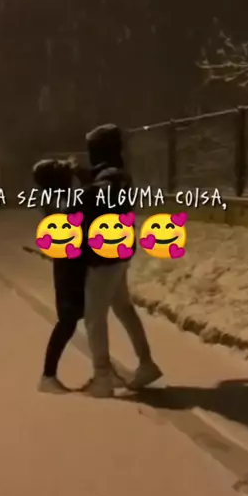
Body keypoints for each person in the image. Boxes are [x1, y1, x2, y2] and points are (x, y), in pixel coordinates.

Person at [78, 123, 162, 398]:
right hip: (118, 252)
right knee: (123, 308)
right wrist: (82, 175)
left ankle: (102, 376)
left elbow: (98, 194)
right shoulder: (117, 173)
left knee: (94, 317)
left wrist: (78, 192)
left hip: (106, 256)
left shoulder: (112, 177)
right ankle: (146, 363)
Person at [33, 158, 87, 394]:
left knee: (86, 317)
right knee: (68, 320)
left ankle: (104, 369)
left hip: (70, 263)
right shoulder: (57, 200)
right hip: (68, 265)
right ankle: (48, 375)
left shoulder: (57, 196)